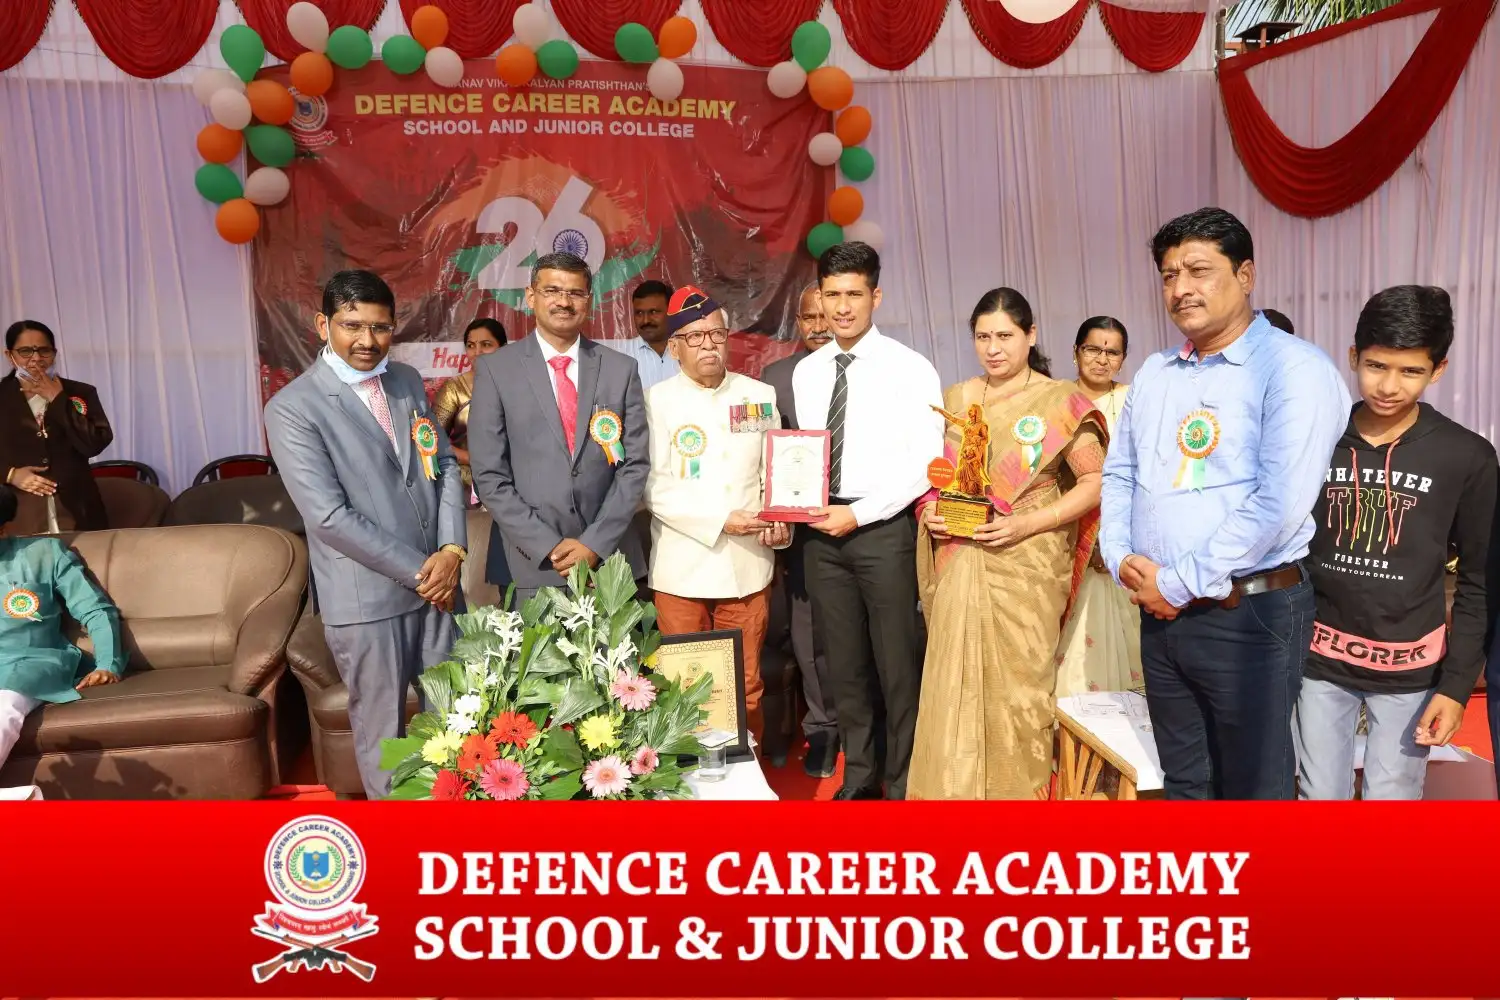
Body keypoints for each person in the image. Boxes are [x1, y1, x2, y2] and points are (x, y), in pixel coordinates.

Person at [1100, 207, 1350, 800]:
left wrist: (1176, 583)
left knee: (1253, 787)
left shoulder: (1294, 368)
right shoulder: (1156, 373)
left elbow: (1279, 505)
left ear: (1246, 275)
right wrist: (1121, 559)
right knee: (1184, 780)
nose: (1180, 288)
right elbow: (1120, 473)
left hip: (1249, 614)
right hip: (1161, 614)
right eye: (1169, 275)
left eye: (1199, 270)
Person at [265, 270, 467, 799]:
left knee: (458, 724)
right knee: (385, 742)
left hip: (441, 592)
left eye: (380, 327)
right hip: (368, 600)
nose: (367, 340)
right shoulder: (293, 408)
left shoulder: (405, 381)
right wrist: (424, 571)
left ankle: (455, 834)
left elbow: (444, 465)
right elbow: (328, 516)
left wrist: (452, 550)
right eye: (351, 325)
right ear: (322, 325)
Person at [1295, 285, 1497, 800]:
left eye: (1410, 371)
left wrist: (1456, 687)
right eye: (1376, 366)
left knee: (1392, 804)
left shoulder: (1467, 455)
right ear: (1353, 357)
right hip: (1317, 664)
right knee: (1318, 799)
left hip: (1411, 674)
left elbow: (1478, 581)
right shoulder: (1316, 437)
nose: (1388, 386)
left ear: (1438, 370)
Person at [907, 289, 1107, 800]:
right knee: (951, 683)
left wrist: (1028, 523)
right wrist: (930, 510)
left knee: (1019, 691)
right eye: (982, 337)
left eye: (1004, 336)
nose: (992, 348)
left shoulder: (1060, 401)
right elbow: (942, 476)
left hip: (1026, 561)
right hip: (959, 557)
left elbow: (1094, 482)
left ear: (1030, 335)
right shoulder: (958, 397)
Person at [792, 242, 943, 800]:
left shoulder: (911, 367)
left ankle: (901, 781)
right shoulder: (808, 372)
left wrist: (857, 513)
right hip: (820, 532)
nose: (842, 307)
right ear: (819, 297)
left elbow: (926, 464)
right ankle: (859, 776)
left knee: (897, 662)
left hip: (883, 531)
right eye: (832, 295)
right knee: (843, 664)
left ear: (875, 296)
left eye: (854, 294)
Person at [643, 286, 791, 748]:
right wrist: (720, 520)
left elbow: (775, 477)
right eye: (695, 336)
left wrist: (782, 524)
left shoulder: (758, 395)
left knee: (745, 686)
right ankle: (688, 782)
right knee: (684, 687)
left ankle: (746, 779)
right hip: (681, 569)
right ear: (674, 347)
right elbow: (652, 487)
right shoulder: (655, 401)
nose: (708, 345)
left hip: (746, 563)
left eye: (716, 334)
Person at [469, 253, 649, 602]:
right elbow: (489, 475)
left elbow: (635, 466)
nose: (564, 302)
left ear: (589, 300)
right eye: (552, 290)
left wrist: (594, 544)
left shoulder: (620, 369)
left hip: (608, 561)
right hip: (529, 563)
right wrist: (549, 545)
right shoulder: (496, 370)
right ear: (531, 296)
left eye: (575, 293)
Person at [760, 284, 839, 776]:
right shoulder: (775, 378)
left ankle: (866, 726)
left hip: (862, 520)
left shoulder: (873, 370)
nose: (818, 326)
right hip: (801, 528)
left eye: (825, 315)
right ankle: (823, 729)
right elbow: (763, 451)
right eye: (809, 317)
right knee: (809, 633)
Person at [0, 484, 124, 800]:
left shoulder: (43, 553)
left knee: (4, 705)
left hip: (31, 661)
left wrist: (108, 664)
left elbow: (96, 609)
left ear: (2, 528)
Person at [1055, 316, 1142, 696]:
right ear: (1075, 352)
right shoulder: (1056, 400)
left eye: (1113, 352)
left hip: (1125, 535)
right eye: (1093, 349)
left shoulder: (1134, 400)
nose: (1102, 359)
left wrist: (1119, 538)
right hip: (1069, 532)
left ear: (1123, 358)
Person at [1, 321, 114, 535]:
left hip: (78, 509)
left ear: (54, 353)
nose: (36, 358)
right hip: (19, 513)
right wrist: (10, 475)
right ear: (10, 355)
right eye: (25, 351)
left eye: (44, 350)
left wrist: (58, 399)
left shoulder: (81, 392)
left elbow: (94, 443)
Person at [433, 318, 507, 500]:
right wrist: (472, 459)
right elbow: (432, 440)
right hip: (466, 487)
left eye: (486, 345)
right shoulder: (454, 388)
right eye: (471, 345)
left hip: (513, 482)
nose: (477, 352)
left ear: (503, 348)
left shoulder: (518, 386)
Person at [613, 280, 679, 393]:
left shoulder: (689, 349)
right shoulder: (622, 357)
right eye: (639, 313)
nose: (646, 320)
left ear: (671, 311)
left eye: (653, 312)